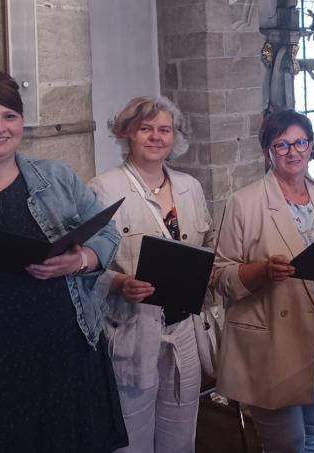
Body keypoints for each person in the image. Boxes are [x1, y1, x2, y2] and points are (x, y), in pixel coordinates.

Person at [0, 71, 127, 452]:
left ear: (22, 122)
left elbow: (107, 235)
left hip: (59, 351)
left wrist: (80, 260)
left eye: (9, 116)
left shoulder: (56, 177)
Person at [213, 110, 314, 453]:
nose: (293, 152)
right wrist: (263, 270)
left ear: (311, 146)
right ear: (267, 151)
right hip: (274, 341)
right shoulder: (244, 203)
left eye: (300, 142)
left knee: (313, 433)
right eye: (281, 145)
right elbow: (221, 275)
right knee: (286, 444)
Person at [87, 96, 216, 453]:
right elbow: (85, 266)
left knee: (181, 433)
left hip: (183, 328)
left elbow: (206, 246)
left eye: (164, 130)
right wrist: (118, 283)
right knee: (132, 437)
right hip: (132, 327)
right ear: (128, 133)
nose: (156, 137)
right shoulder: (103, 189)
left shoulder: (190, 187)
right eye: (146, 129)